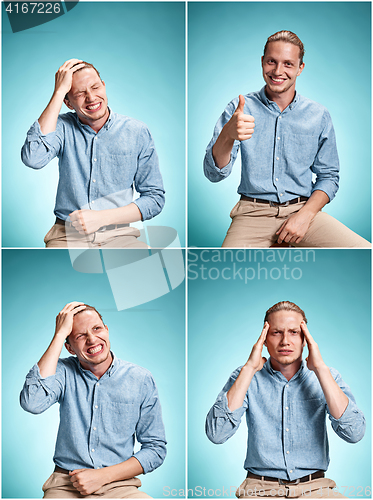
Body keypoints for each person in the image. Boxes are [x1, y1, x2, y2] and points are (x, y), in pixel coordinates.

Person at [203, 31, 370, 248]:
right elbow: (213, 174)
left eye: (288, 64)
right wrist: (227, 135)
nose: (278, 71)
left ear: (300, 68)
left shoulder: (318, 115)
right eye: (272, 61)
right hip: (252, 214)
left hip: (304, 211)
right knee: (227, 273)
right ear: (262, 62)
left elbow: (329, 176)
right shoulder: (240, 108)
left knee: (364, 255)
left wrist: (305, 216)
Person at [205, 301, 365, 498]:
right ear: (264, 339)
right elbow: (217, 434)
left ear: (305, 339)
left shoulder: (327, 376)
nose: (285, 341)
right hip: (259, 490)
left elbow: (354, 433)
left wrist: (321, 370)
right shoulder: (245, 377)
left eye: (294, 332)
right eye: (276, 333)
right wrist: (248, 369)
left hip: (316, 488)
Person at [20, 302, 166, 498]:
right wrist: (59, 335)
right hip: (65, 485)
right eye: (80, 336)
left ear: (107, 330)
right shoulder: (62, 371)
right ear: (69, 348)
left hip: (120, 486)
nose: (91, 339)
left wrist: (102, 476)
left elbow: (155, 449)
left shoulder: (141, 379)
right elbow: (32, 402)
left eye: (97, 328)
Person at [21, 59, 165, 248]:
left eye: (95, 87)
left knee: (149, 273)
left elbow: (154, 198)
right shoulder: (61, 127)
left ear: (104, 86)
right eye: (79, 94)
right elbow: (33, 157)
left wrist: (102, 218)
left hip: (120, 237)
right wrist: (58, 92)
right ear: (68, 102)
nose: (91, 97)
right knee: (54, 275)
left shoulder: (137, 131)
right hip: (67, 236)